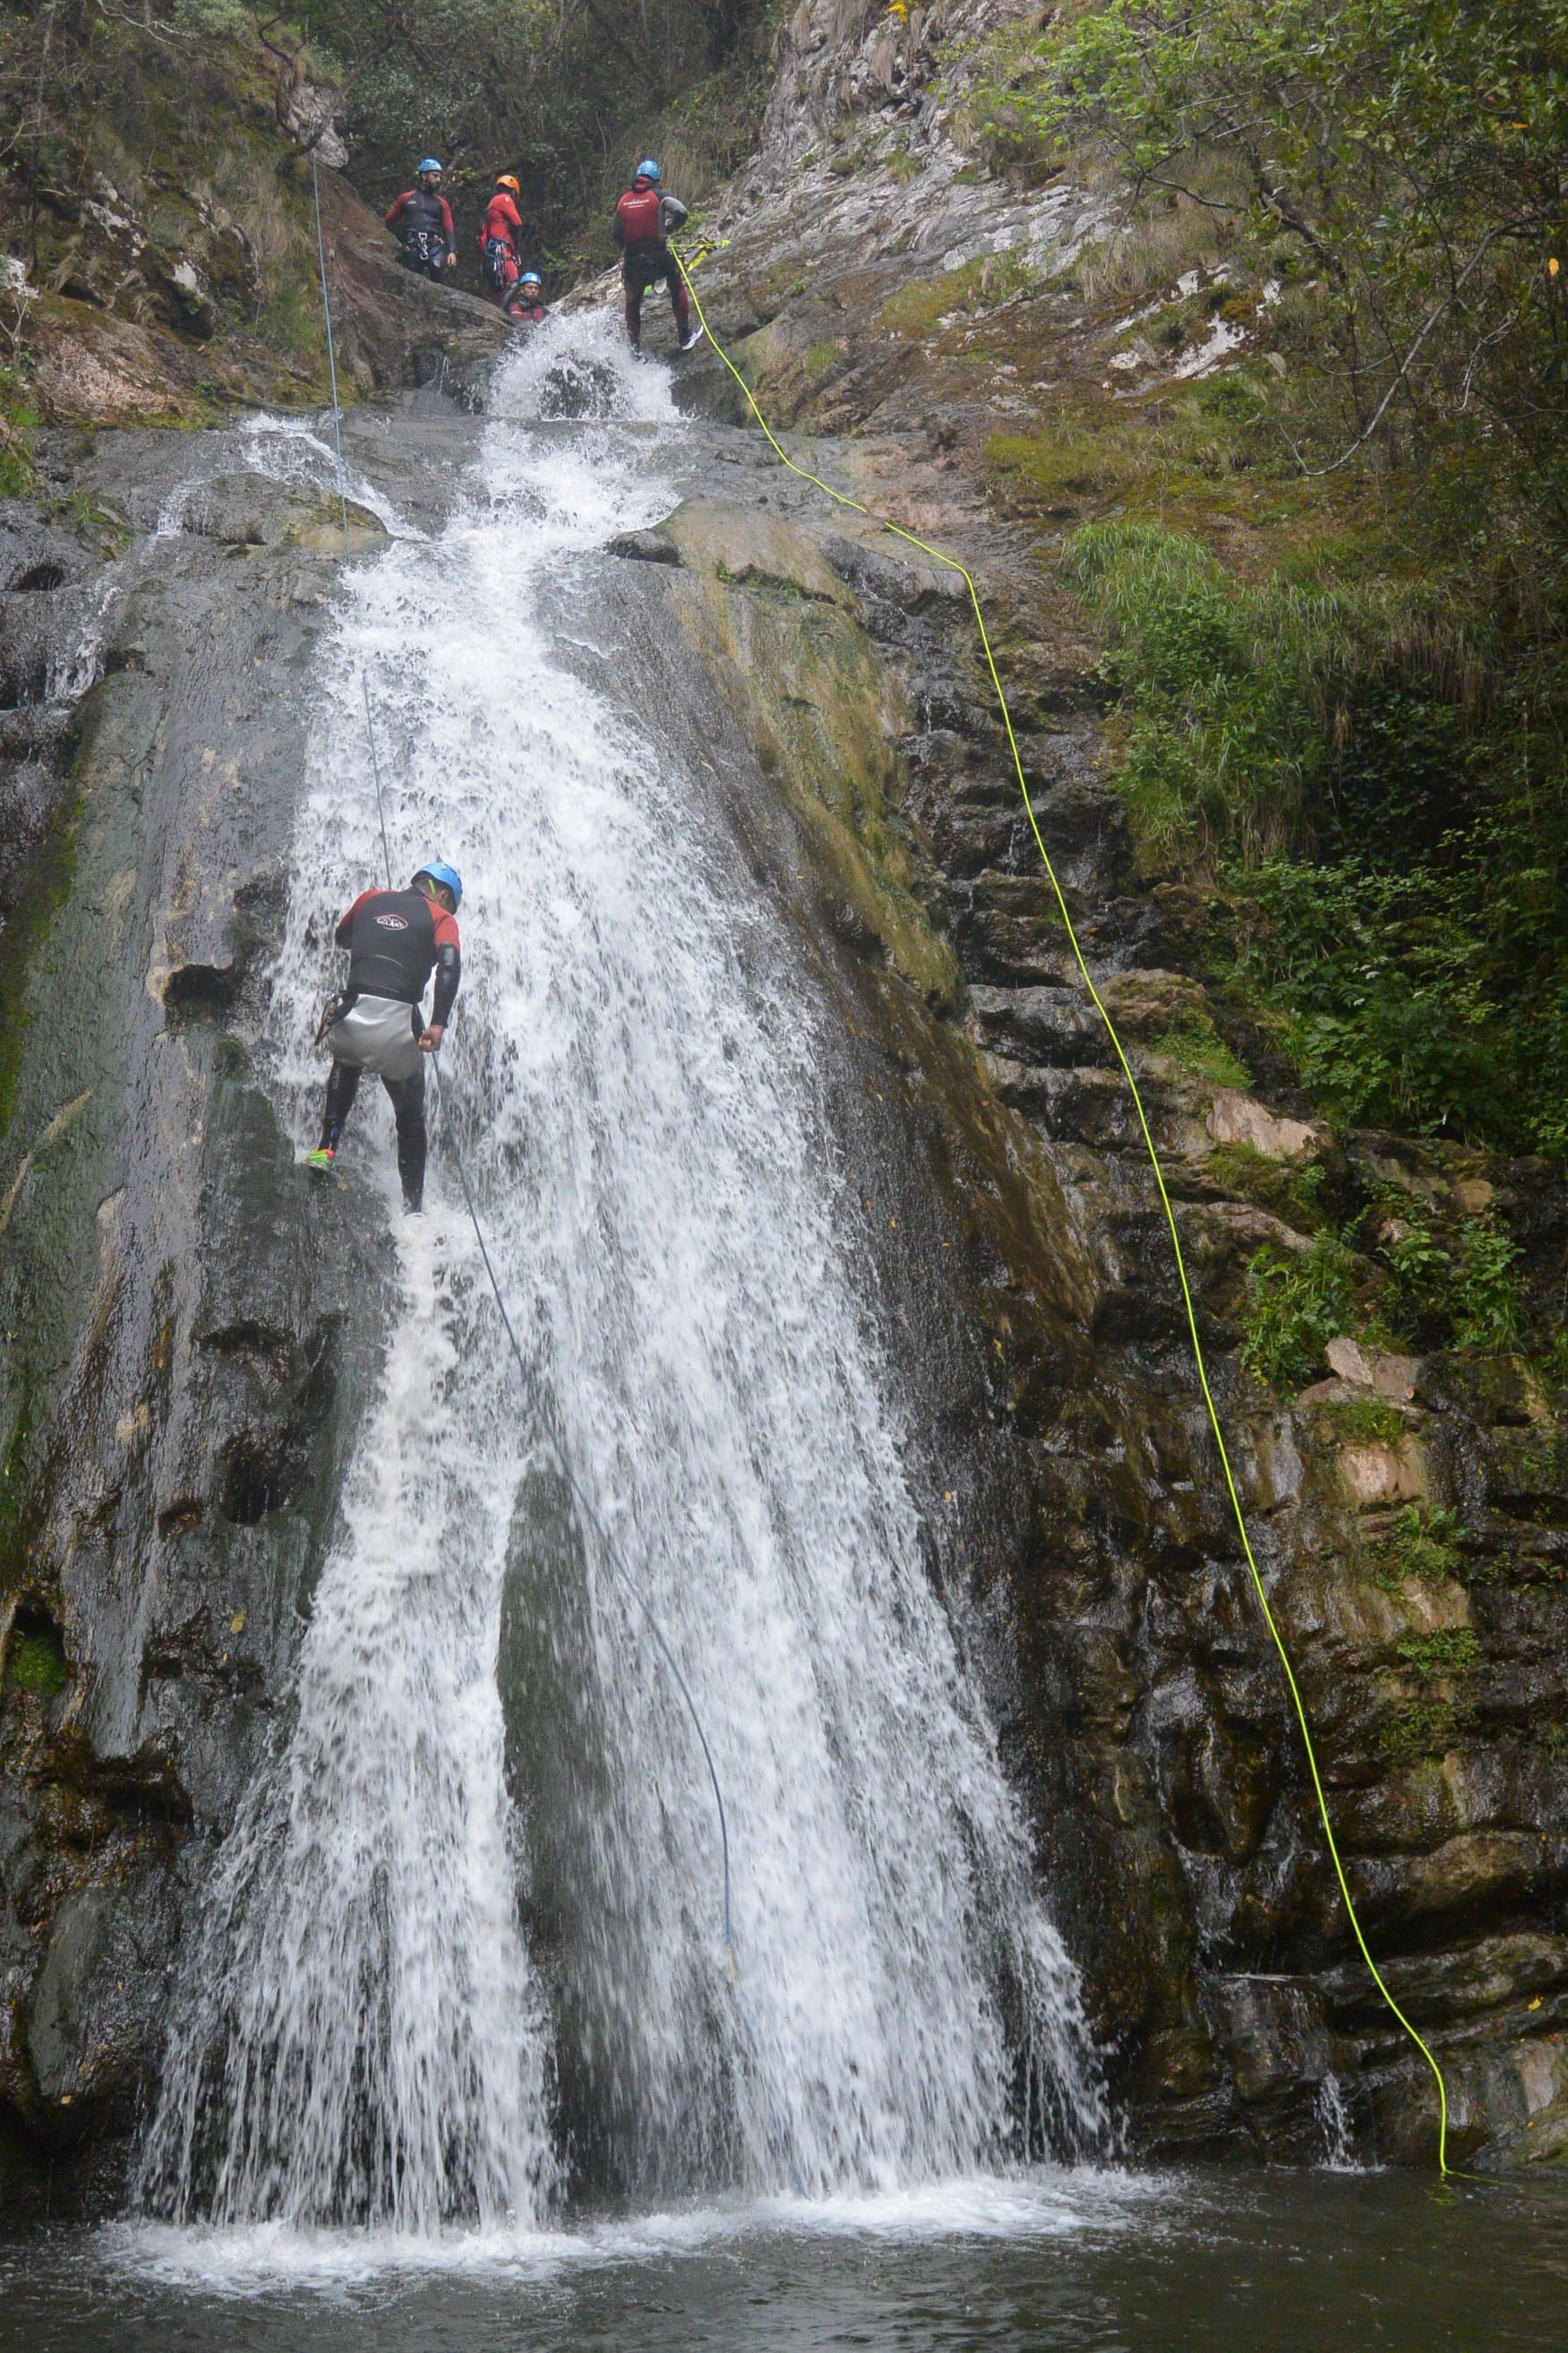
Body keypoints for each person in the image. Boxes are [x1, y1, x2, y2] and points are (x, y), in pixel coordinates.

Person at [307, 863, 463, 1214]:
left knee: (345, 1064)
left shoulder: (370, 899)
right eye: (449, 904)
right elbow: (450, 966)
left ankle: (325, 1148)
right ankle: (413, 1205)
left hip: (350, 1021)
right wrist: (437, 1023)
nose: (447, 911)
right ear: (442, 895)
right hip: (396, 1034)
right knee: (410, 1116)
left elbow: (342, 938)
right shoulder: (440, 918)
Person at [611, 159, 701, 354]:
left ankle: (635, 349)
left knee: (633, 302)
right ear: (655, 178)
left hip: (633, 260)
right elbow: (681, 212)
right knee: (676, 286)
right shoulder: (659, 195)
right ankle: (684, 336)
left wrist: (627, 250)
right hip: (658, 256)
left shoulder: (623, 201)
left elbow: (616, 233)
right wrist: (667, 230)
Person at [385, 159, 457, 281]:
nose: (438, 180)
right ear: (424, 176)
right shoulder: (406, 198)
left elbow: (449, 228)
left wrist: (452, 251)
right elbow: (389, 220)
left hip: (434, 246)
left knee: (437, 267)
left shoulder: (442, 203)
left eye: (439, 177)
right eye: (435, 176)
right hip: (413, 244)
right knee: (412, 275)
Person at [477, 173, 526, 305]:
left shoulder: (491, 205)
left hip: (491, 253)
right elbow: (518, 223)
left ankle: (499, 316)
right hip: (501, 251)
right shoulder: (504, 199)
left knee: (499, 291)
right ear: (513, 191)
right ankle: (500, 314)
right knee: (514, 284)